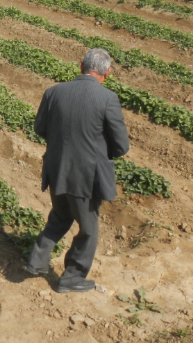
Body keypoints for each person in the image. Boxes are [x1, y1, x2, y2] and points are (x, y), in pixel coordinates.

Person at [26, 48, 130, 293]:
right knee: (89, 229)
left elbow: (40, 128)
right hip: (85, 178)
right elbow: (121, 145)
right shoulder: (107, 98)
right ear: (108, 73)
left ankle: (36, 260)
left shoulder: (53, 92)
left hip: (56, 169)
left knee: (61, 217)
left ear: (81, 67)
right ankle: (72, 278)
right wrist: (101, 155)